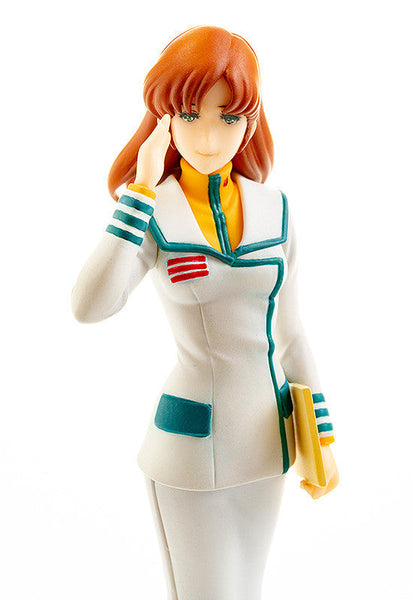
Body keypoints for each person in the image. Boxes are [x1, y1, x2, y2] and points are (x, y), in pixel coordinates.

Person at [72, 25, 339, 600]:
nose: (211, 138)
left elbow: (292, 335)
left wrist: (320, 434)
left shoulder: (276, 209)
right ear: (164, 119)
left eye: (229, 116)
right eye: (190, 116)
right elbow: (90, 307)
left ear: (251, 120)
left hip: (270, 439)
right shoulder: (154, 211)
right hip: (191, 447)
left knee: (247, 589)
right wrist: (139, 195)